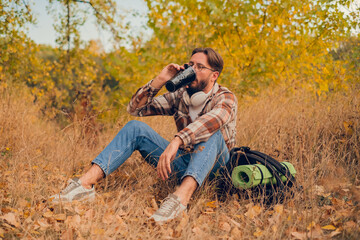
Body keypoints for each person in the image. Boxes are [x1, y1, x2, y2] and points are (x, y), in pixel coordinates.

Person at [50, 47, 238, 223]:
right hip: (185, 166)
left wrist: (176, 141)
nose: (192, 70)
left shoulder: (225, 98)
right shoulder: (181, 96)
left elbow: (211, 121)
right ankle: (84, 185)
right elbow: (135, 109)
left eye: (200, 67)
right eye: (190, 65)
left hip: (215, 171)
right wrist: (160, 79)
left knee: (212, 134)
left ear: (214, 75)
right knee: (134, 127)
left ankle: (180, 200)